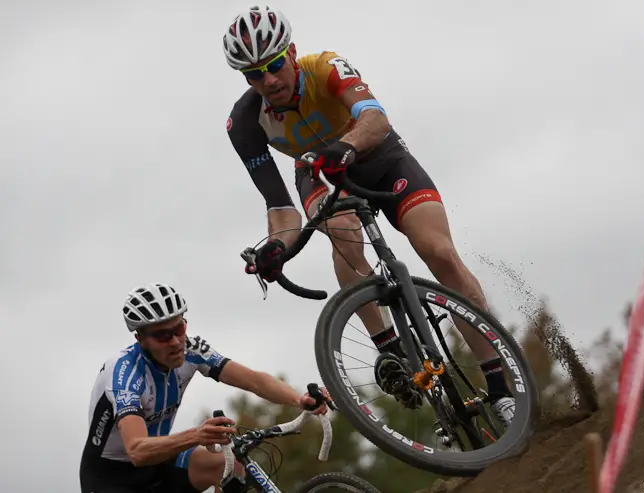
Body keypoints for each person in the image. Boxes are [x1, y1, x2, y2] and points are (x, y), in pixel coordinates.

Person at [221, 5, 515, 426]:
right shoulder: (244, 124)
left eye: (273, 65)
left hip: (379, 156)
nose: (268, 80)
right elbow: (282, 210)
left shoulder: (324, 67)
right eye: (253, 75)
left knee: (441, 253)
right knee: (340, 228)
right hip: (317, 172)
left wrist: (349, 145)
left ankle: (501, 387)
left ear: (291, 53)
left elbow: (375, 119)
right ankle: (390, 349)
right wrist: (274, 249)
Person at [79, 282, 328, 493]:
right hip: (111, 477)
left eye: (179, 328)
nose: (176, 341)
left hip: (162, 459)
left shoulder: (192, 349)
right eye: (164, 335)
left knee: (230, 465)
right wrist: (196, 436)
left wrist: (299, 399)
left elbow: (254, 380)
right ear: (140, 339)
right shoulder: (124, 373)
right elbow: (137, 450)